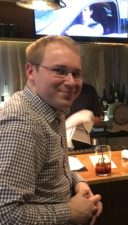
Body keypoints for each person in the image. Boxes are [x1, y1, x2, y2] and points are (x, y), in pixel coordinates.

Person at [0, 35, 102, 224]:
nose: (71, 82)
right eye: (59, 71)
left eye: (76, 73)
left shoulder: (53, 110)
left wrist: (78, 182)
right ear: (31, 71)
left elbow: (55, 167)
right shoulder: (22, 124)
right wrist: (69, 212)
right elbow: (5, 214)